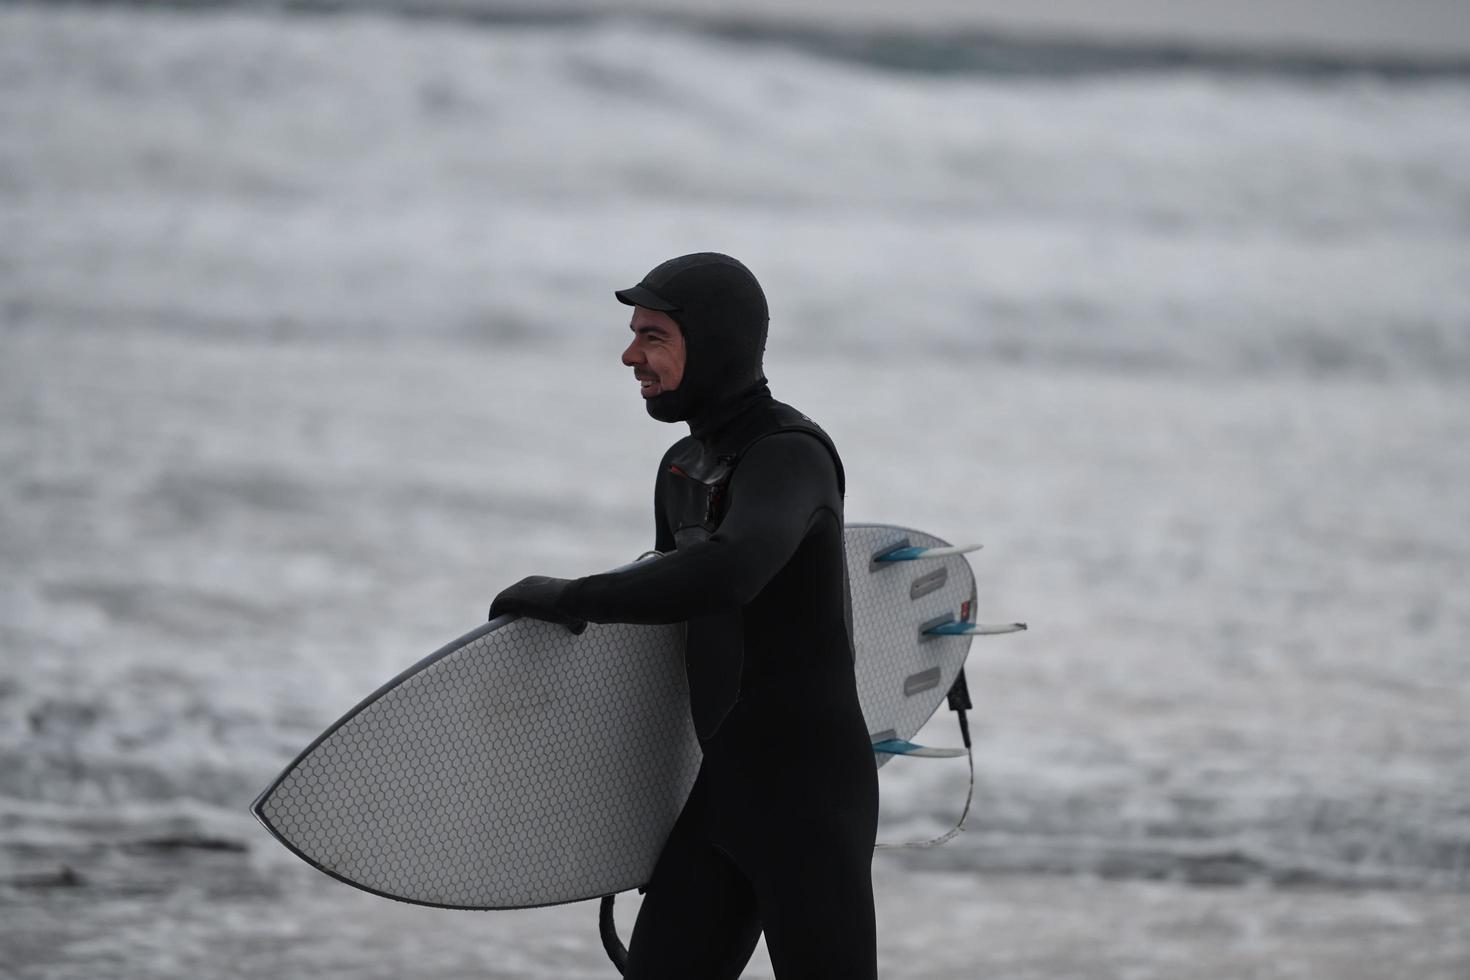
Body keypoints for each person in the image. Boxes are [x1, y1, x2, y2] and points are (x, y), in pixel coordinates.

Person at [490, 253, 878, 980]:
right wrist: (636, 818)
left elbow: (731, 572)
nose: (631, 354)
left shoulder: (788, 457)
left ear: (717, 343)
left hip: (809, 804)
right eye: (635, 333)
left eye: (655, 337)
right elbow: (672, 645)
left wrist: (574, 598)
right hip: (722, 796)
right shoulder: (682, 467)